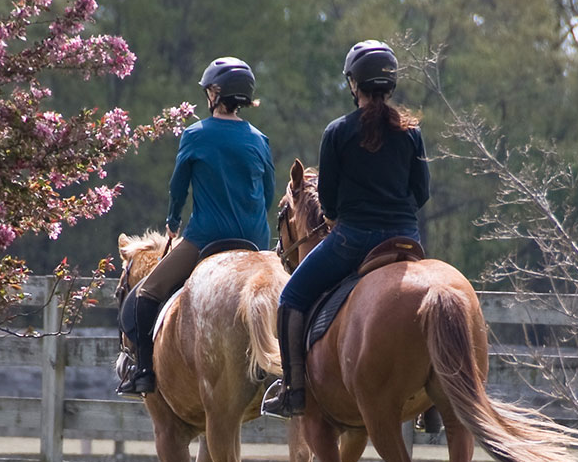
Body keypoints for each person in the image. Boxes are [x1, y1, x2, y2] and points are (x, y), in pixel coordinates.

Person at [260, 40, 429, 418]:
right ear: (391, 83)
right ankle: (432, 402)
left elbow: (330, 204)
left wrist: (342, 219)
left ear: (354, 83)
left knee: (291, 298)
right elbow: (422, 193)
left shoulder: (337, 132)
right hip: (406, 239)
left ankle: (293, 390)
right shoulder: (411, 133)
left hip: (353, 239)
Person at [117, 57, 277, 397]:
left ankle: (144, 371)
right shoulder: (260, 139)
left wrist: (173, 222)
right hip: (255, 241)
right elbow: (268, 194)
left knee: (146, 294)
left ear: (215, 93)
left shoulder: (195, 135)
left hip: (206, 239)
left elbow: (178, 187)